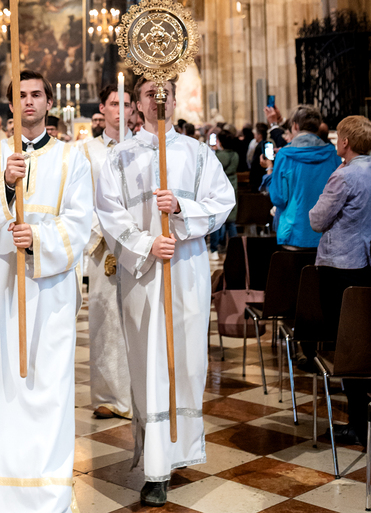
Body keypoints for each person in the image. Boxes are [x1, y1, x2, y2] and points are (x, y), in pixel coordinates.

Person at [96, 77, 235, 508]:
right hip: (143, 275)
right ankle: (155, 466)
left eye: (165, 93)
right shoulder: (119, 157)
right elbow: (109, 213)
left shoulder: (198, 154)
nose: (158, 100)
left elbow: (223, 202)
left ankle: (179, 448)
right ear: (137, 104)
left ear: (174, 101)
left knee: (187, 363)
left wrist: (181, 209)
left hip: (187, 270)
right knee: (150, 363)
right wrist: (146, 244)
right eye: (149, 94)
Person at [0, 70, 93, 513]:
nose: (29, 101)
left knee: (46, 387)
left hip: (49, 292)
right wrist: (4, 185)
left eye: (37, 94)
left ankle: (46, 493)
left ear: (49, 102)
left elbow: (81, 222)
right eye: (21, 95)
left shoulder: (72, 158)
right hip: (0, 288)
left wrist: (37, 237)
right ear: (11, 106)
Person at [308, 115, 371, 445]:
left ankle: (358, 424)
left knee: (347, 346)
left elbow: (318, 220)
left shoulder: (343, 175)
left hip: (340, 265)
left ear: (345, 142)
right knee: (366, 342)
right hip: (367, 263)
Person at [82, 84, 133, 420]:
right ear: (103, 108)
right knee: (105, 320)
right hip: (104, 247)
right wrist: (103, 237)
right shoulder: (87, 151)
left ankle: (138, 393)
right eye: (115, 103)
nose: (121, 110)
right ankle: (108, 395)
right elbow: (81, 198)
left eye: (127, 104)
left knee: (137, 318)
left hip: (139, 245)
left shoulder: (144, 147)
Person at [267, 104, 340, 249]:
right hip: (327, 234)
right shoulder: (332, 154)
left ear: (295, 126)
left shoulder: (285, 155)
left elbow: (278, 197)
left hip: (294, 233)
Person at [209, 130, 239, 259]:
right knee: (231, 222)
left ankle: (214, 249)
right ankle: (235, 250)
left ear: (220, 142)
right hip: (233, 184)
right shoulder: (235, 155)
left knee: (217, 220)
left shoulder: (218, 155)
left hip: (220, 186)